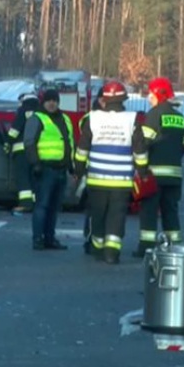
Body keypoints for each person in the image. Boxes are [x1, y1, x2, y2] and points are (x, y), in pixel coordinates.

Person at [74, 81, 147, 264]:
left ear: (104, 99)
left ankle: (97, 248)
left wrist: (79, 170)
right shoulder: (132, 120)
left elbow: (82, 149)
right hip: (121, 181)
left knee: (98, 214)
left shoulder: (93, 118)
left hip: (97, 179)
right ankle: (111, 253)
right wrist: (143, 171)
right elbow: (140, 152)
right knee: (116, 216)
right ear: (123, 99)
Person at [133, 77, 184, 258]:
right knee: (171, 212)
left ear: (159, 94)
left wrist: (142, 170)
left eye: (151, 93)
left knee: (149, 212)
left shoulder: (153, 116)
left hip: (154, 175)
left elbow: (142, 145)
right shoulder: (180, 118)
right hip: (174, 176)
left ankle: (147, 247)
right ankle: (174, 248)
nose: (149, 97)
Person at [23, 89, 75, 250]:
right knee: (42, 205)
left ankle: (50, 238)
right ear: (43, 102)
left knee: (54, 207)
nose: (52, 103)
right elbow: (29, 142)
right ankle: (38, 239)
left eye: (55, 100)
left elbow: (69, 142)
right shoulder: (36, 118)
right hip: (45, 169)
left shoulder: (65, 118)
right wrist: (35, 163)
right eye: (49, 100)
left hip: (61, 170)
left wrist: (71, 165)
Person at [5, 93, 40, 214]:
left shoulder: (23, 110)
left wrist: (7, 142)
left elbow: (15, 130)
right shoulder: (41, 113)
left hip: (21, 151)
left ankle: (25, 204)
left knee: (23, 177)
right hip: (37, 152)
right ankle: (36, 203)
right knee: (33, 178)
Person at [80, 86, 104, 251]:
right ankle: (90, 239)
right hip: (94, 168)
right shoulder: (90, 118)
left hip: (111, 168)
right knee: (93, 207)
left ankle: (101, 241)